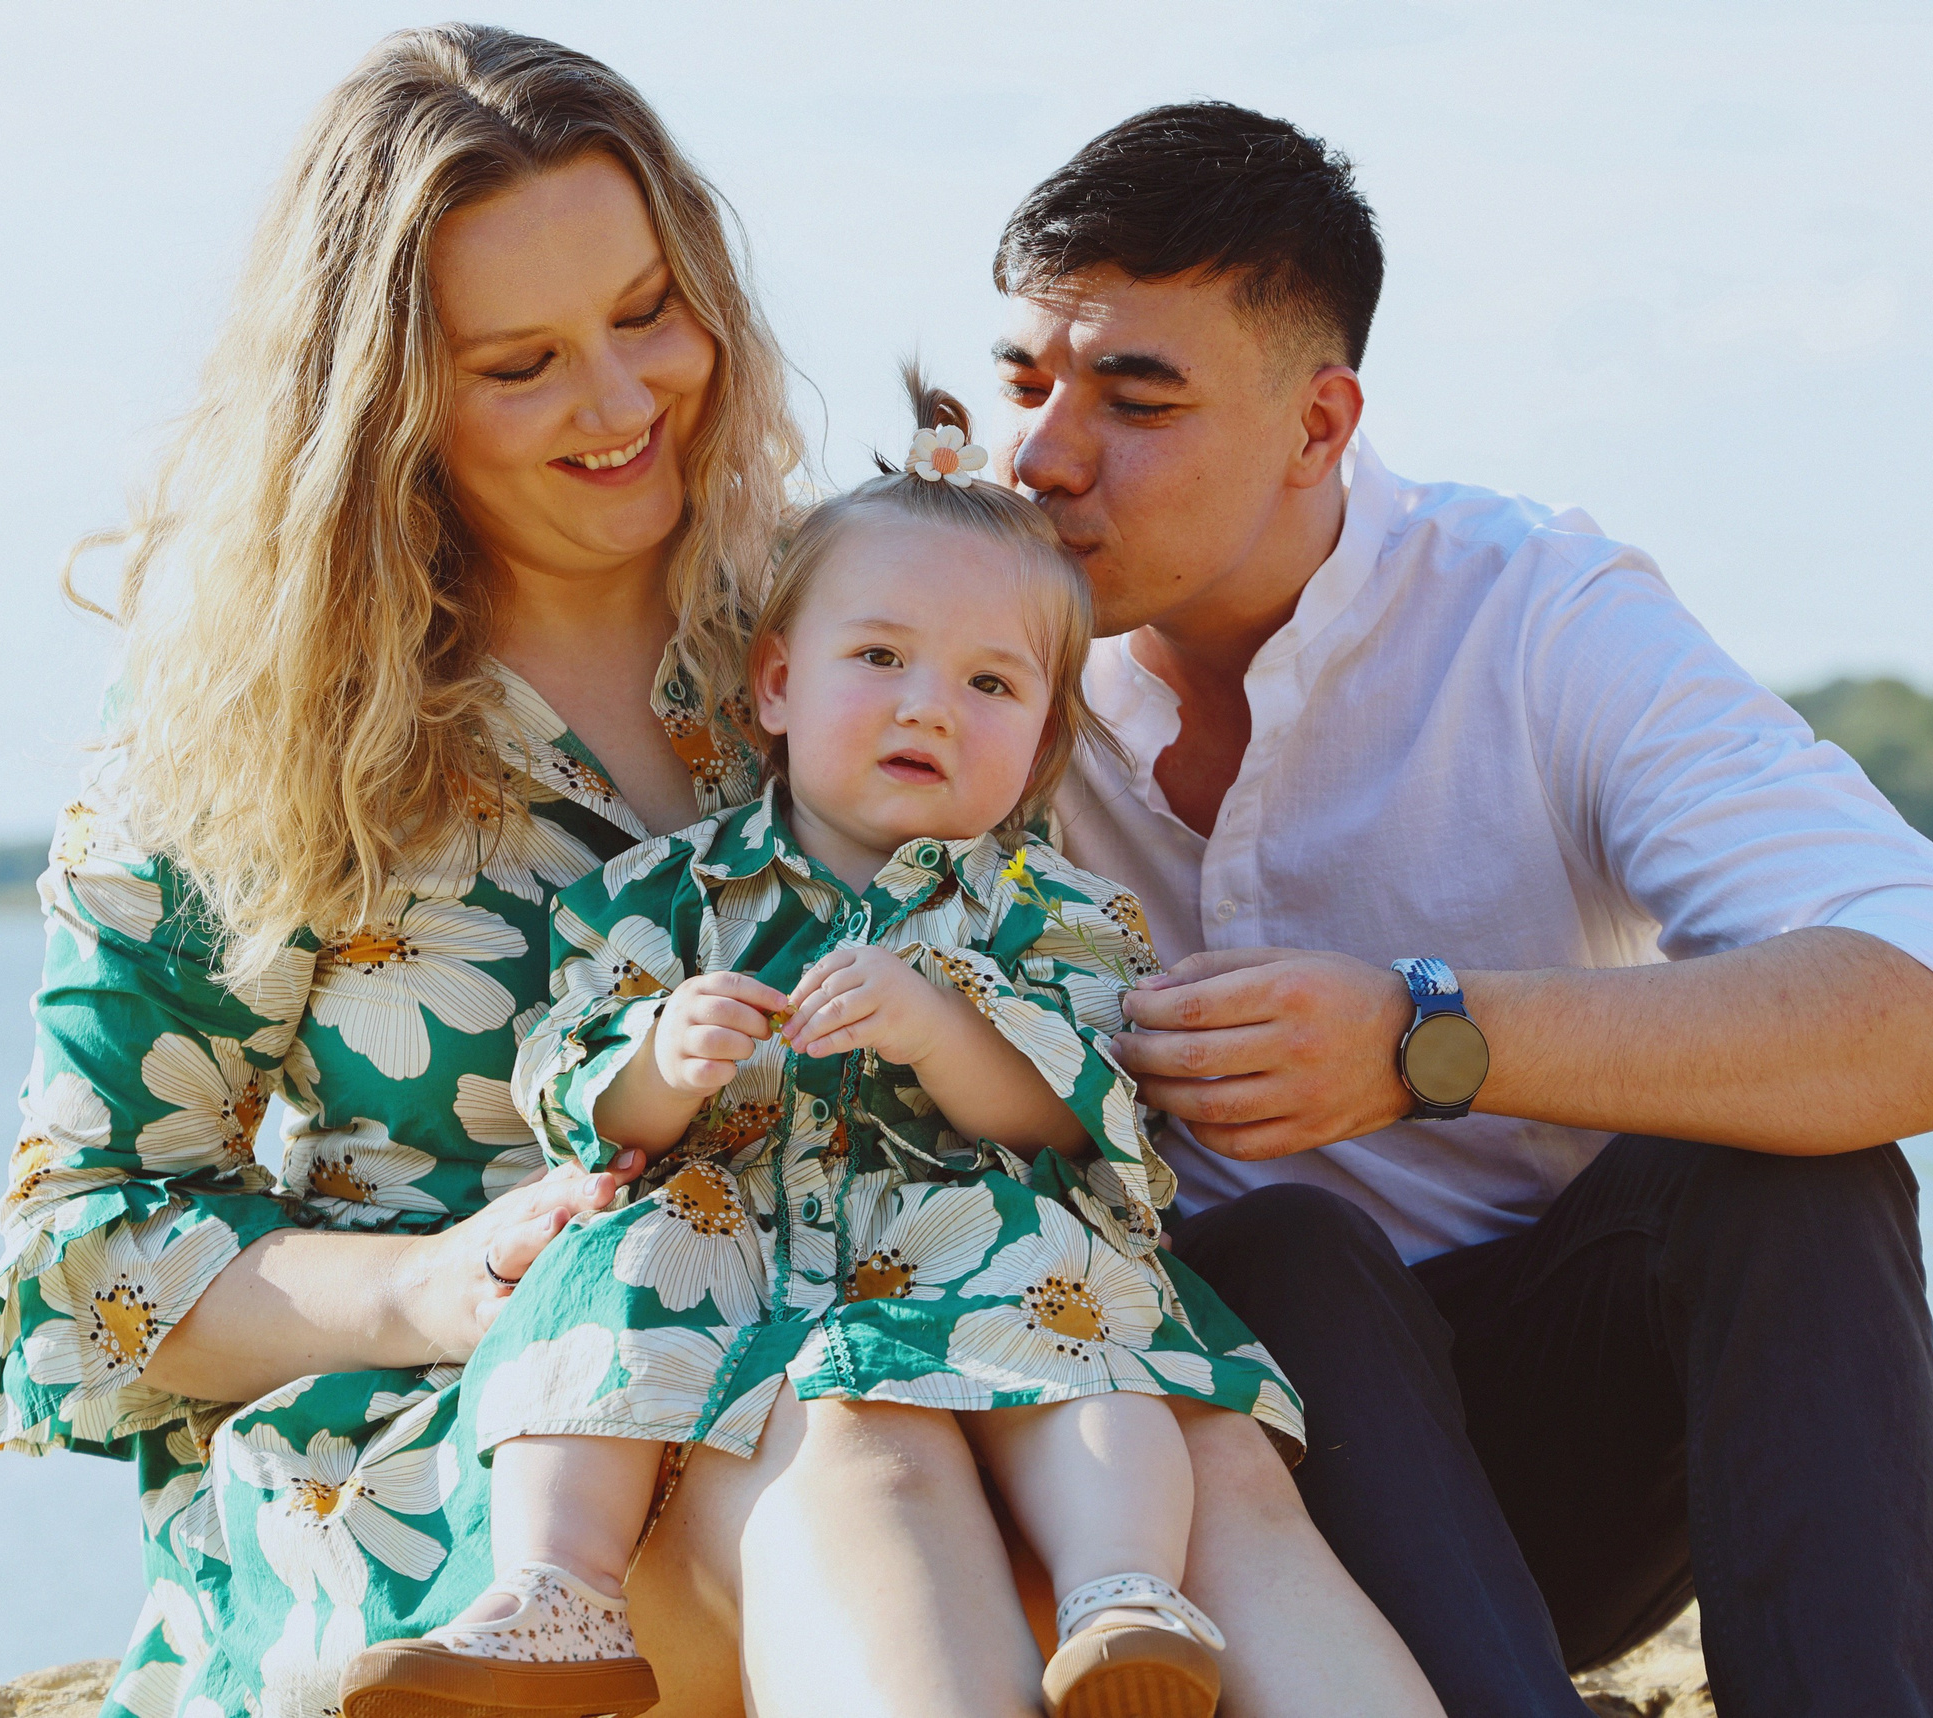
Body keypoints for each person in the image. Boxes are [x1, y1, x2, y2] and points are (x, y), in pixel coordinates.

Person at [0, 29, 1433, 1718]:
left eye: (649, 311)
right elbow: (84, 1255)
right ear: (386, 399)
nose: (623, 400)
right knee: (845, 1434)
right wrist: (423, 1285)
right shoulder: (238, 723)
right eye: (523, 364)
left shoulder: (849, 610)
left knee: (1188, 1440)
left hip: (908, 1298)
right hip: (510, 1450)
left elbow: (1032, 964)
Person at [989, 103, 1933, 1718]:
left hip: (1568, 1454)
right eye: (1022, 384)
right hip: (1204, 1491)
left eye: (1137, 398)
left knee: (1783, 1183)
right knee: (1275, 1244)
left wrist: (1429, 1036)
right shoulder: (939, 648)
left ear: (1318, 423)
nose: (1045, 455)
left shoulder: (1535, 615)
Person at [339, 376, 1303, 1718]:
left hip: (967, 1230)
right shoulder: (666, 895)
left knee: (1089, 1336)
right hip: (727, 1236)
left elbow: (1078, 1105)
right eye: (880, 659)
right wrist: (661, 1059)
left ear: (1035, 748)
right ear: (780, 683)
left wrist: (938, 1025)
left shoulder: (1059, 909)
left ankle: (1122, 1590)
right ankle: (556, 1589)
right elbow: (569, 1079)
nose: (929, 708)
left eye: (988, 682)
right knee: (596, 1276)